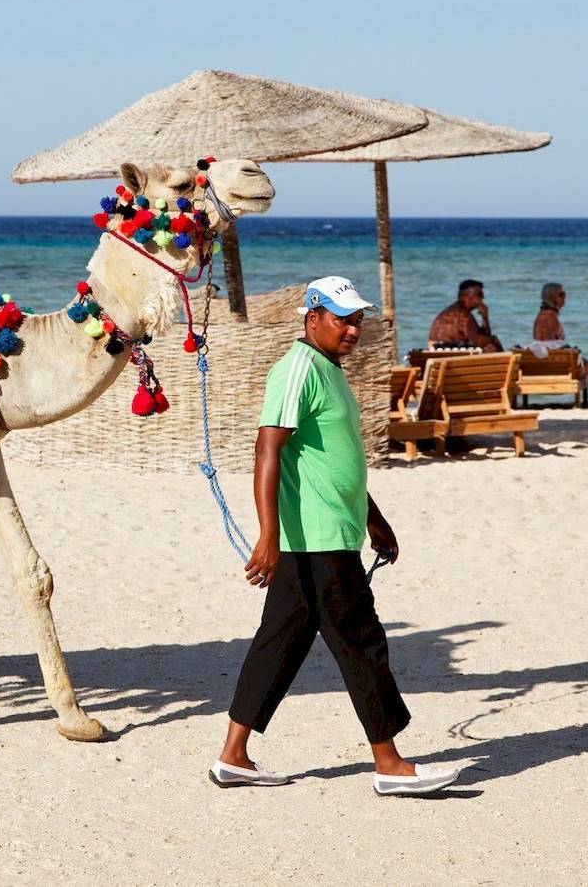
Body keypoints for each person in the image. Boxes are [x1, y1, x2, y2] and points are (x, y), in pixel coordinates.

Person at [210, 276, 461, 796]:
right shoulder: (298, 368)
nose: (353, 329)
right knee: (362, 643)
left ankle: (234, 756)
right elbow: (267, 450)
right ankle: (389, 764)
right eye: (342, 319)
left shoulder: (330, 370)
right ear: (313, 317)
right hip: (316, 539)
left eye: (357, 320)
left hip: (329, 535)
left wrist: (373, 518)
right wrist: (267, 535)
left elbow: (334, 460)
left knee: (277, 645)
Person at [428, 279, 503, 352]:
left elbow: (481, 335)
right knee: (491, 346)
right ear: (465, 297)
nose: (483, 297)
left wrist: (485, 317)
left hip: (437, 352)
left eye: (482, 295)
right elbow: (477, 342)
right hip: (451, 353)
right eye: (480, 295)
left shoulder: (452, 311)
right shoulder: (463, 315)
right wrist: (493, 339)